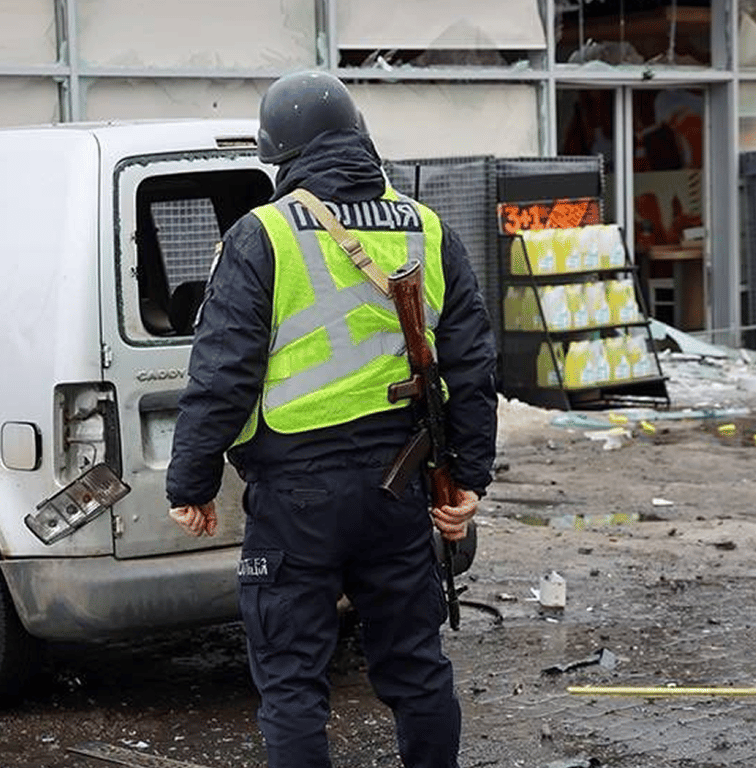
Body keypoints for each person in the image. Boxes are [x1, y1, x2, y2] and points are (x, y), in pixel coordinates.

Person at [165, 70, 498, 768]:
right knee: (417, 668)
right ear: (358, 138)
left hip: (297, 499)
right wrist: (468, 478)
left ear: (280, 152)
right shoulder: (429, 230)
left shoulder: (263, 235)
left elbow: (222, 374)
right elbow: (471, 364)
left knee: (292, 683)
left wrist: (190, 483)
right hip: (398, 489)